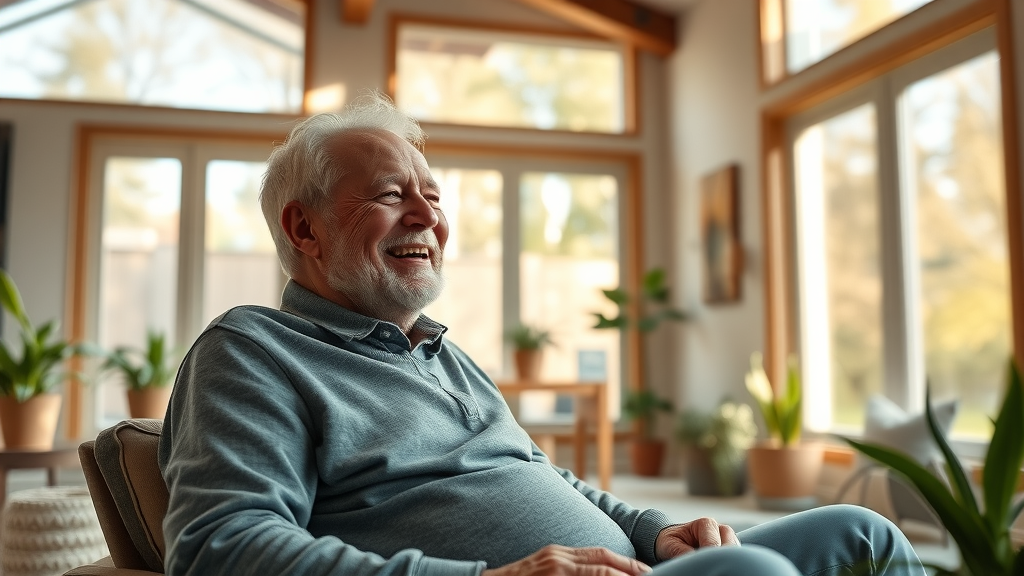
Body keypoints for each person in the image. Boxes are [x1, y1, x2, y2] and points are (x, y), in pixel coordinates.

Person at [157, 92, 926, 576]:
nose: (430, 218)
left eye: (433, 196)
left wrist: (655, 531)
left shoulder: (445, 356)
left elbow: (550, 481)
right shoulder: (253, 352)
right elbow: (221, 545)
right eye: (393, 196)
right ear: (305, 228)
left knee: (863, 531)